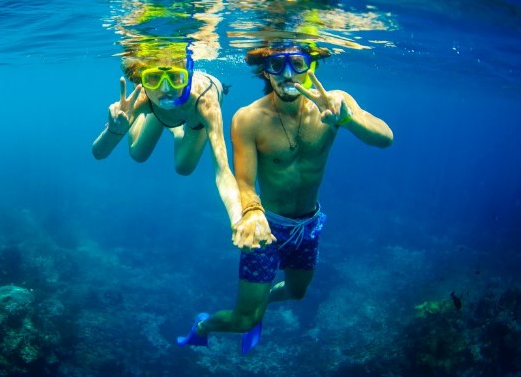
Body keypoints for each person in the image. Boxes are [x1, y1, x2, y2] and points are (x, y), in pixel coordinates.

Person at [177, 42, 394, 354]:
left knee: (296, 291)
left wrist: (348, 119)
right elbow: (245, 183)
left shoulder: (335, 103)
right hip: (266, 227)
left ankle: (258, 306)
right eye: (277, 65)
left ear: (311, 65)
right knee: (243, 320)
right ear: (266, 70)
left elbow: (385, 138)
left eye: (298, 62)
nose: (288, 73)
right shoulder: (249, 118)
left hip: (308, 226)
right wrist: (251, 211)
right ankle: (203, 325)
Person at [92, 49, 246, 230]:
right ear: (143, 81)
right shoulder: (144, 96)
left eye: (175, 78)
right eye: (154, 78)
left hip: (193, 116)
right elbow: (98, 153)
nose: (165, 89)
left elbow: (223, 172)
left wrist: (238, 219)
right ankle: (158, 118)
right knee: (137, 153)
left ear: (187, 77)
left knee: (184, 168)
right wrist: (113, 131)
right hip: (156, 107)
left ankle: (176, 130)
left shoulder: (205, 103)